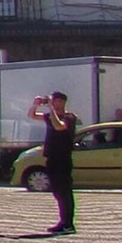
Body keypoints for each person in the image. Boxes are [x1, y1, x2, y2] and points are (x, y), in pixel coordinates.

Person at [32, 91, 81, 234]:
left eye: (55, 101)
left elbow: (59, 126)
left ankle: (69, 224)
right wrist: (35, 105)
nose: (53, 103)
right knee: (57, 191)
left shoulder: (69, 117)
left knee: (65, 191)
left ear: (62, 102)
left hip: (63, 158)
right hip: (51, 157)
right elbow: (32, 115)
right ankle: (63, 221)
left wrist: (50, 110)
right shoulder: (50, 116)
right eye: (52, 101)